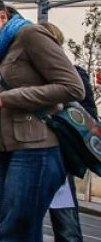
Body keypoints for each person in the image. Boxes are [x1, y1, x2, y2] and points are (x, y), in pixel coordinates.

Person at [0, 0, 84, 241]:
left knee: (14, 234)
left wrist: (8, 98)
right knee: (21, 232)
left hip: (38, 148)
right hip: (6, 152)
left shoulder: (31, 36)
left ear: (2, 16)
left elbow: (73, 87)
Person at [42, 21, 93, 242]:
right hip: (32, 152)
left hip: (58, 155)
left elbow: (88, 117)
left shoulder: (73, 75)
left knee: (65, 224)